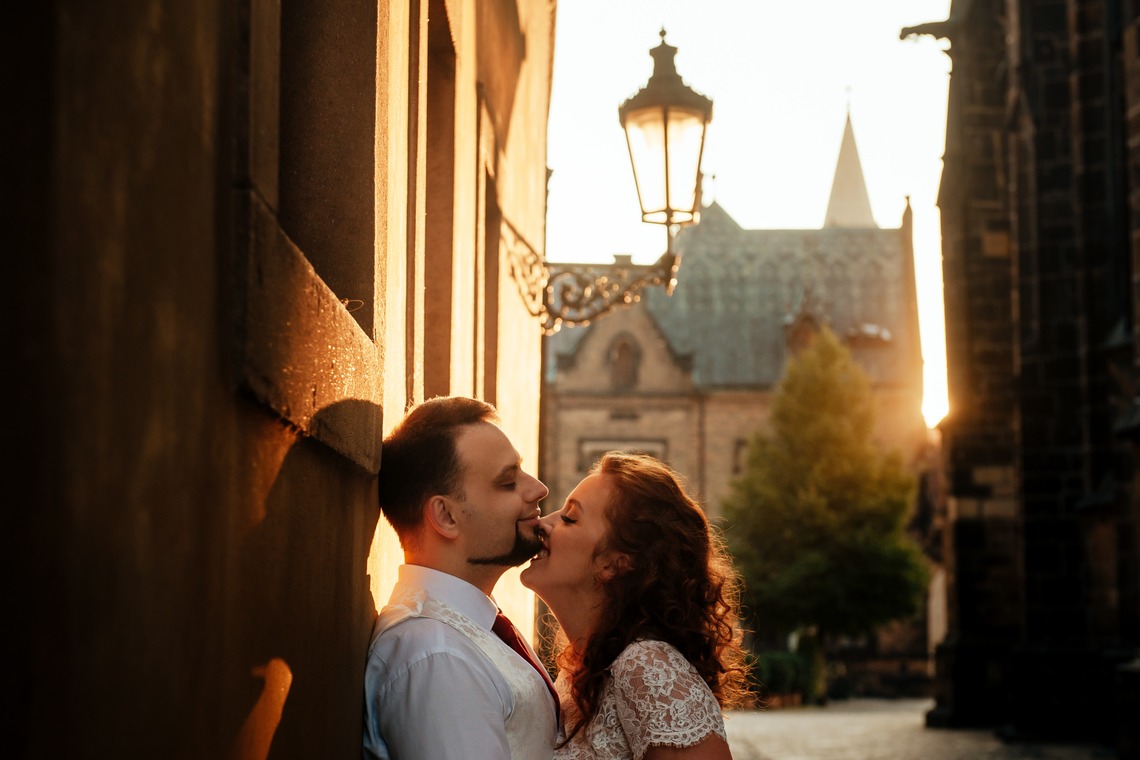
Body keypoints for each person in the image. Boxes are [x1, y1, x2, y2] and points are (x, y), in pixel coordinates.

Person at [364, 396, 559, 760]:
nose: (537, 489)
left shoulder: (468, 630)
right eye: (507, 482)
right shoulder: (436, 655)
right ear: (446, 517)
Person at [521, 452, 749, 760]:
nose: (543, 523)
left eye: (570, 518)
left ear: (614, 563)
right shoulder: (579, 673)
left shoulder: (646, 666)